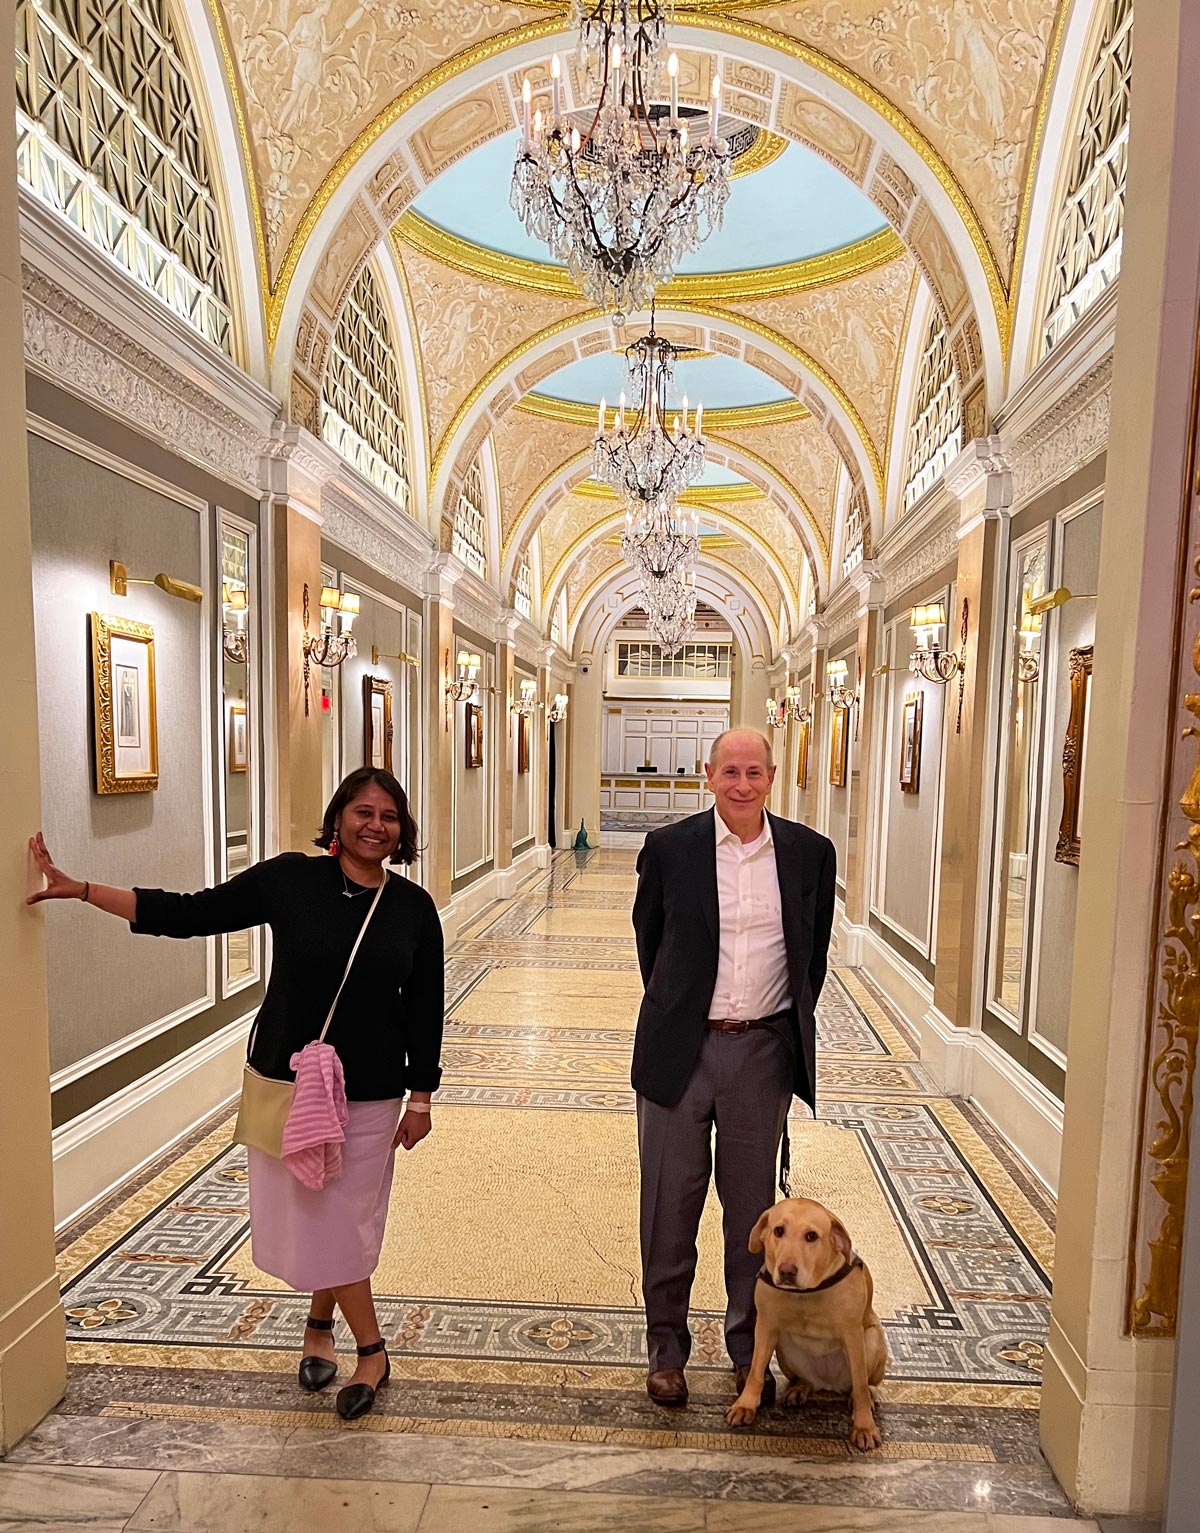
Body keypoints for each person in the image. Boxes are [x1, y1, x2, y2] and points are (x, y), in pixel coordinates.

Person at [27, 767, 443, 1423]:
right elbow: (191, 912)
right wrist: (83, 889)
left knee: (340, 1218)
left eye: (389, 815)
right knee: (311, 1206)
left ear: (403, 830)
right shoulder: (290, 880)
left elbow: (425, 1006)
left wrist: (422, 1095)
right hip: (286, 1081)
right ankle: (317, 1321)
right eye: (363, 811)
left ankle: (372, 1349)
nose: (375, 825)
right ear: (337, 819)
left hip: (371, 1093)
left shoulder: (413, 908)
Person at [631, 728, 835, 1407]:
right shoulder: (671, 848)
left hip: (762, 1053)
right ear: (707, 774)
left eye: (754, 772)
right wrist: (683, 1006)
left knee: (754, 1212)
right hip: (678, 1050)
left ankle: (750, 1349)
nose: (742, 784)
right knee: (669, 1203)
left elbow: (813, 956)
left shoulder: (809, 853)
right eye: (729, 772)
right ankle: (667, 1346)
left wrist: (774, 1027)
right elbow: (650, 938)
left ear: (772, 777)